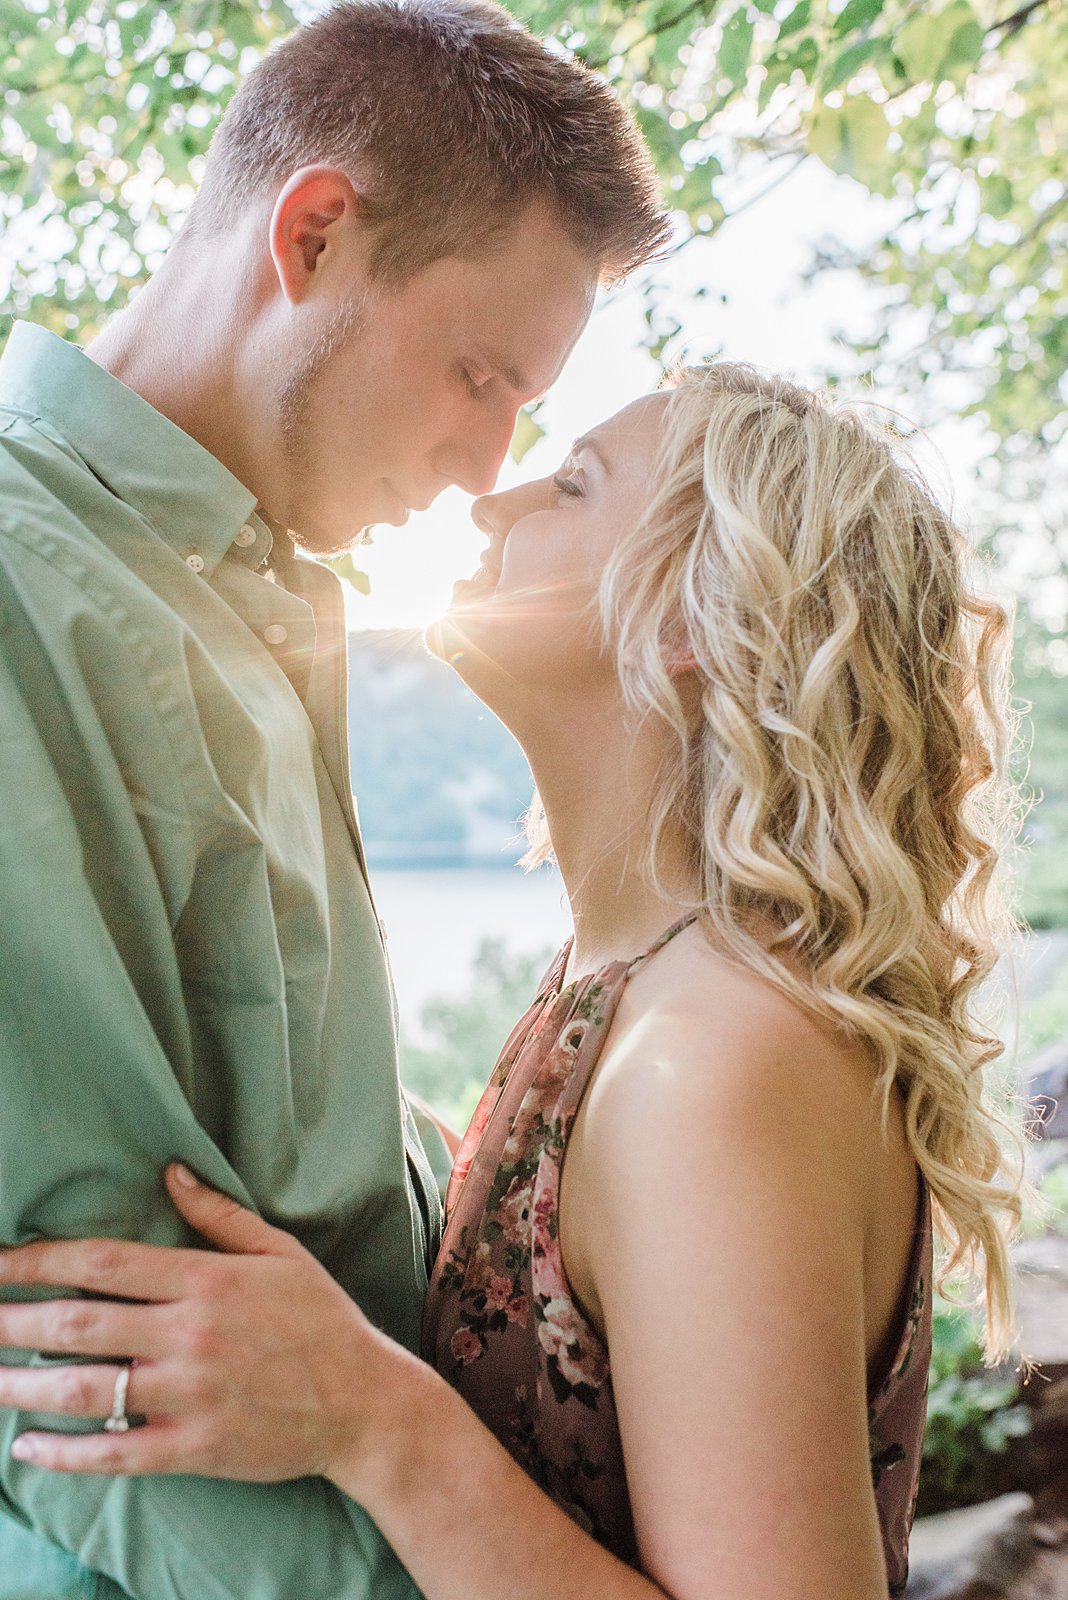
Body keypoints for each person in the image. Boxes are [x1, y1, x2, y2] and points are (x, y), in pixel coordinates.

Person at [0, 364, 1027, 1600]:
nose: (494, 499)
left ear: (691, 620)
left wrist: (371, 1417)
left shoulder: (717, 1056)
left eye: (575, 482)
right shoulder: (649, 993)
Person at [0, 0, 669, 1594]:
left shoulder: (260, 585)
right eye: (479, 375)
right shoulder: (26, 598)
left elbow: (309, 1162)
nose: (482, 465)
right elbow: (75, 1349)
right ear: (313, 236)